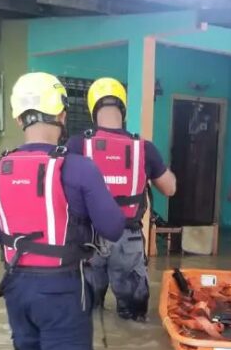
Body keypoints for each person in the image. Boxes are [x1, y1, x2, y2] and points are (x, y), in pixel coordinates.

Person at [0, 72, 125, 350]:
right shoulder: (79, 168)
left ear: (19, 119)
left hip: (15, 290)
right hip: (62, 291)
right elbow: (113, 227)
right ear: (62, 114)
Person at [66, 77, 177, 322]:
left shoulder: (77, 144)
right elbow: (170, 189)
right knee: (133, 318)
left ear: (93, 110)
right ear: (123, 109)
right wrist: (158, 166)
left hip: (89, 239)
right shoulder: (143, 148)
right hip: (129, 239)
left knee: (87, 314)